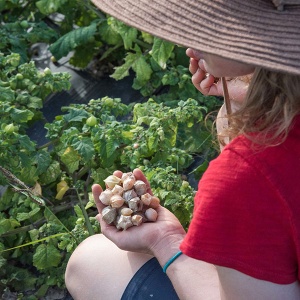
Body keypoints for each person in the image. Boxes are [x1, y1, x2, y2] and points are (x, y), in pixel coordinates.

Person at [65, 0, 300, 299]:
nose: (189, 41)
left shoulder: (246, 178)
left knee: (91, 262)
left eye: (211, 17)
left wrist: (165, 240)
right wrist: (254, 99)